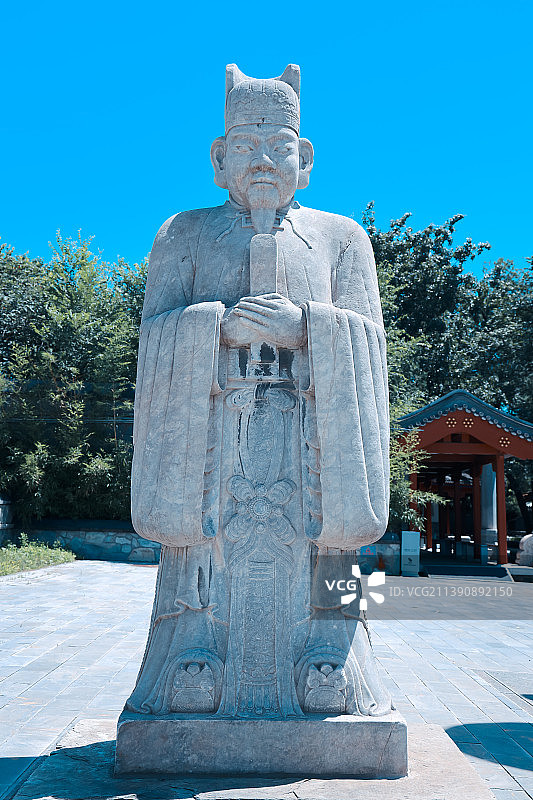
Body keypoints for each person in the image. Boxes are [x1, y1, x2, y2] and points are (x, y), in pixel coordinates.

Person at [126, 64, 391, 719]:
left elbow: (369, 350)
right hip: (215, 437)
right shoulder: (181, 234)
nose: (263, 160)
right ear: (219, 160)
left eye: (279, 145)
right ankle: (192, 658)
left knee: (334, 545)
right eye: (245, 146)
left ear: (306, 158)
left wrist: (307, 328)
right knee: (202, 555)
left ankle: (337, 660)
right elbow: (154, 341)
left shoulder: (341, 238)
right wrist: (213, 328)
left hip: (315, 438)